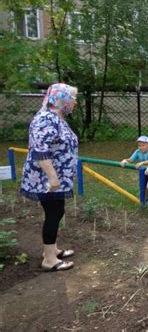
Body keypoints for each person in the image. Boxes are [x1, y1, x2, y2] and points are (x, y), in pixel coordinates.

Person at [19, 83, 78, 272]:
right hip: (46, 179)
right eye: (72, 97)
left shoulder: (56, 117)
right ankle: (49, 260)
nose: (75, 101)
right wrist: (53, 178)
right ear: (61, 98)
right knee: (53, 214)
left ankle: (52, 250)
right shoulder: (45, 118)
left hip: (57, 177)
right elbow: (40, 150)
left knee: (57, 212)